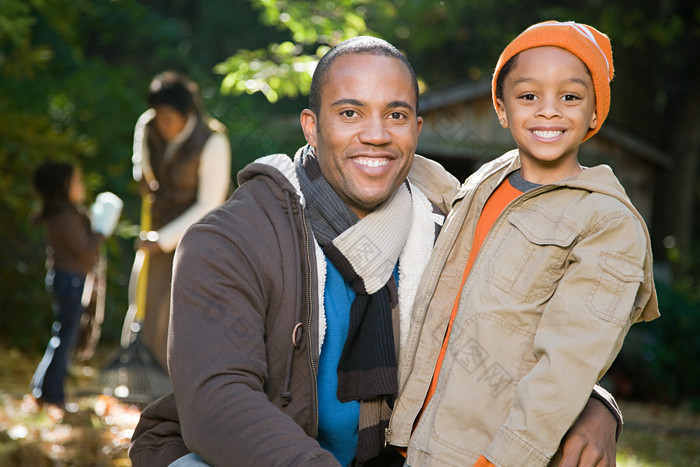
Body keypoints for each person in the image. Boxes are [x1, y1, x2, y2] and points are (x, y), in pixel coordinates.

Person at [129, 36, 622, 467]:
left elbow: (513, 340)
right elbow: (218, 403)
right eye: (350, 112)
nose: (377, 134)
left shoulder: (447, 235)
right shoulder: (231, 238)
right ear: (310, 125)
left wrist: (596, 405)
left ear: (416, 130)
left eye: (396, 114)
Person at [387, 21, 660, 467]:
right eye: (529, 96)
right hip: (411, 441)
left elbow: (565, 369)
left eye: (570, 97)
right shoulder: (485, 181)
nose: (548, 111)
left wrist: (500, 461)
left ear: (595, 113)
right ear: (501, 107)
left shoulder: (606, 223)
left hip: (483, 456)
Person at [131, 71, 231, 369]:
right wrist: (142, 176)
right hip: (158, 225)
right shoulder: (148, 125)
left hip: (200, 235)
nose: (161, 126)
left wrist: (161, 240)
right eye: (157, 117)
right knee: (145, 297)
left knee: (182, 309)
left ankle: (176, 382)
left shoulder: (213, 141)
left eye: (168, 120)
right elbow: (141, 161)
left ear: (187, 113)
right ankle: (142, 375)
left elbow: (208, 204)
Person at [27, 161, 104, 421]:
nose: (82, 187)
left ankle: (42, 389)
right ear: (62, 188)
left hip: (70, 279)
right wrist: (102, 232)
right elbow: (84, 249)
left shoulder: (66, 214)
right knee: (65, 338)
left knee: (62, 336)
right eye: (77, 182)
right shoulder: (64, 217)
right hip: (70, 281)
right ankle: (53, 396)